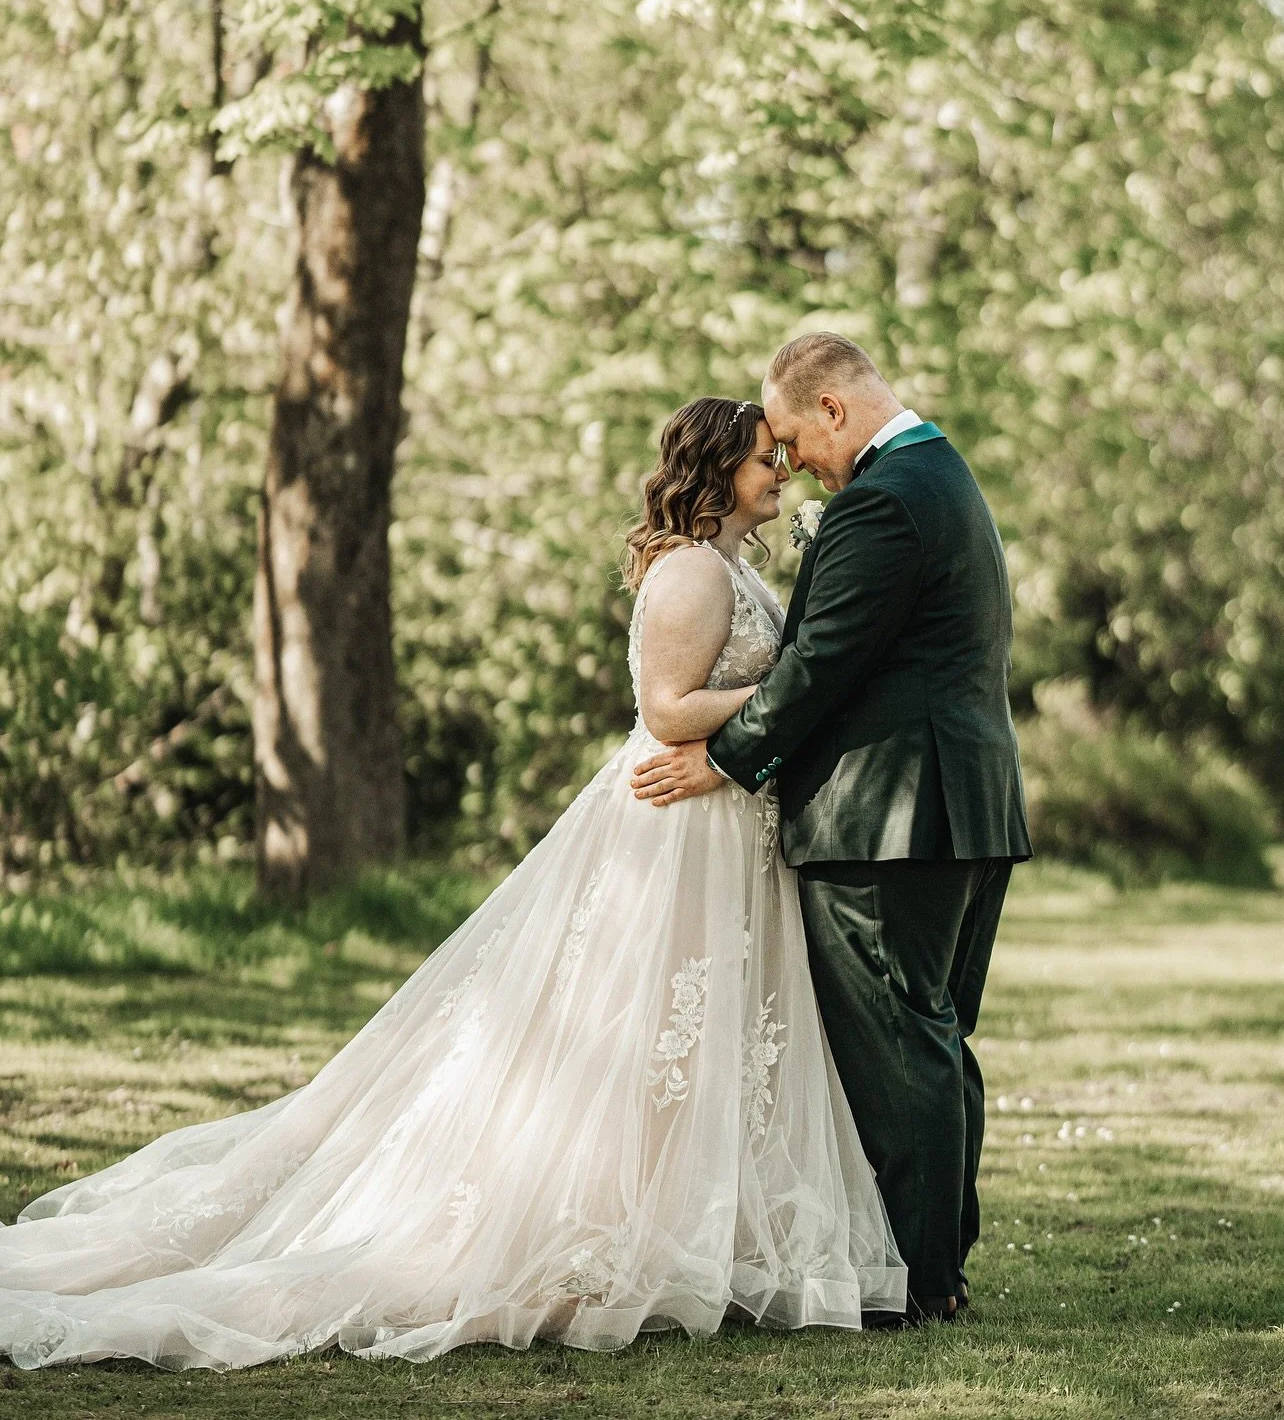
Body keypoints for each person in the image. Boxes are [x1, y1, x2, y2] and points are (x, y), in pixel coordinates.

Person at [0, 397, 903, 1371]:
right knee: (648, 1034)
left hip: (725, 828)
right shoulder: (689, 569)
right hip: (677, 836)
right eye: (767, 461)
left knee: (699, 1041)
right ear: (720, 469)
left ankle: (696, 1225)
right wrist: (795, 699)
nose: (781, 474)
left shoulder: (731, 565)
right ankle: (608, 1229)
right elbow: (666, 708)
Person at [632, 334, 1031, 1321]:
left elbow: (818, 669)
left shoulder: (884, 502)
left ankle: (921, 1281)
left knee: (904, 1051)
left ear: (834, 410)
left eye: (795, 440)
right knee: (933, 1042)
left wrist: (721, 763)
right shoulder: (946, 477)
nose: (794, 462)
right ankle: (936, 1267)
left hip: (890, 824)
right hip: (961, 809)